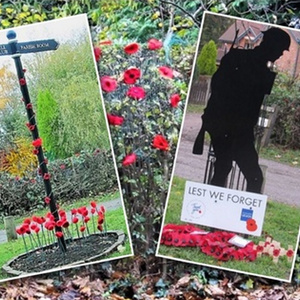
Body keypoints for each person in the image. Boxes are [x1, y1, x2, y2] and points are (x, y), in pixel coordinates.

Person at [192, 27, 291, 193]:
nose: (281, 54)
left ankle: (242, 216)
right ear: (271, 45)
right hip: (226, 126)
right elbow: (218, 87)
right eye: (280, 49)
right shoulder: (239, 58)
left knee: (231, 170)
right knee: (238, 172)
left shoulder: (260, 68)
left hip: (239, 128)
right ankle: (215, 211)